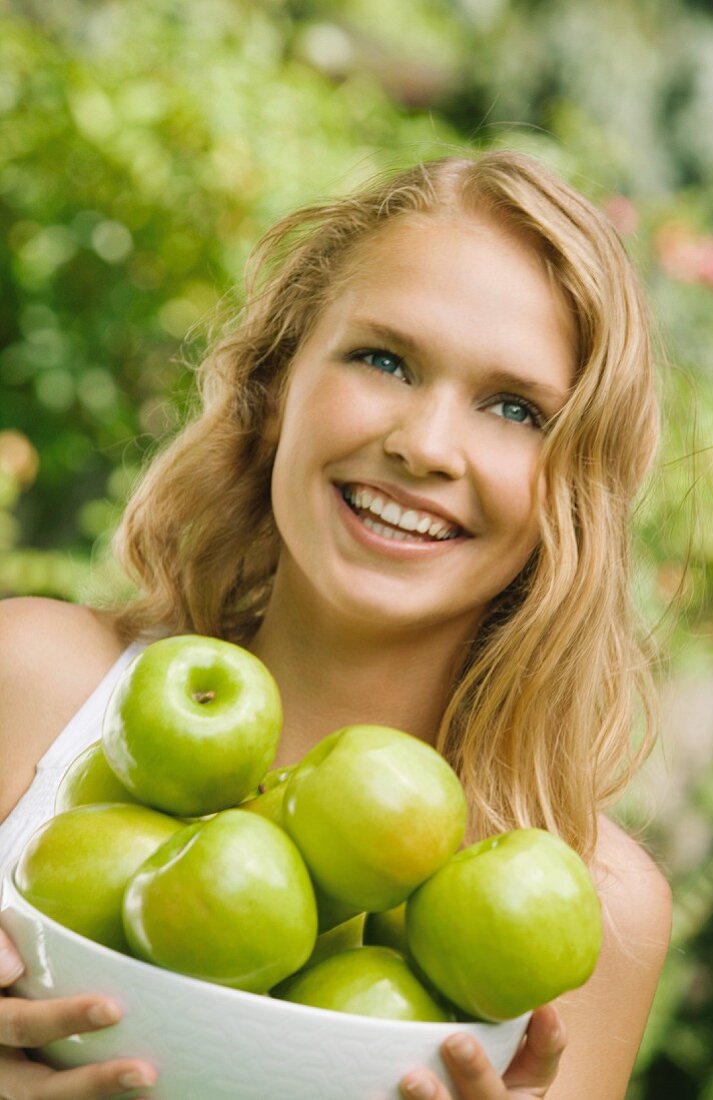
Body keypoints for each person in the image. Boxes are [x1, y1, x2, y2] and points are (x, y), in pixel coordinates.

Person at [0, 148, 673, 1099]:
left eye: (516, 408)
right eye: (383, 359)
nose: (423, 444)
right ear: (277, 389)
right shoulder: (28, 684)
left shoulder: (602, 910)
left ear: (577, 494)